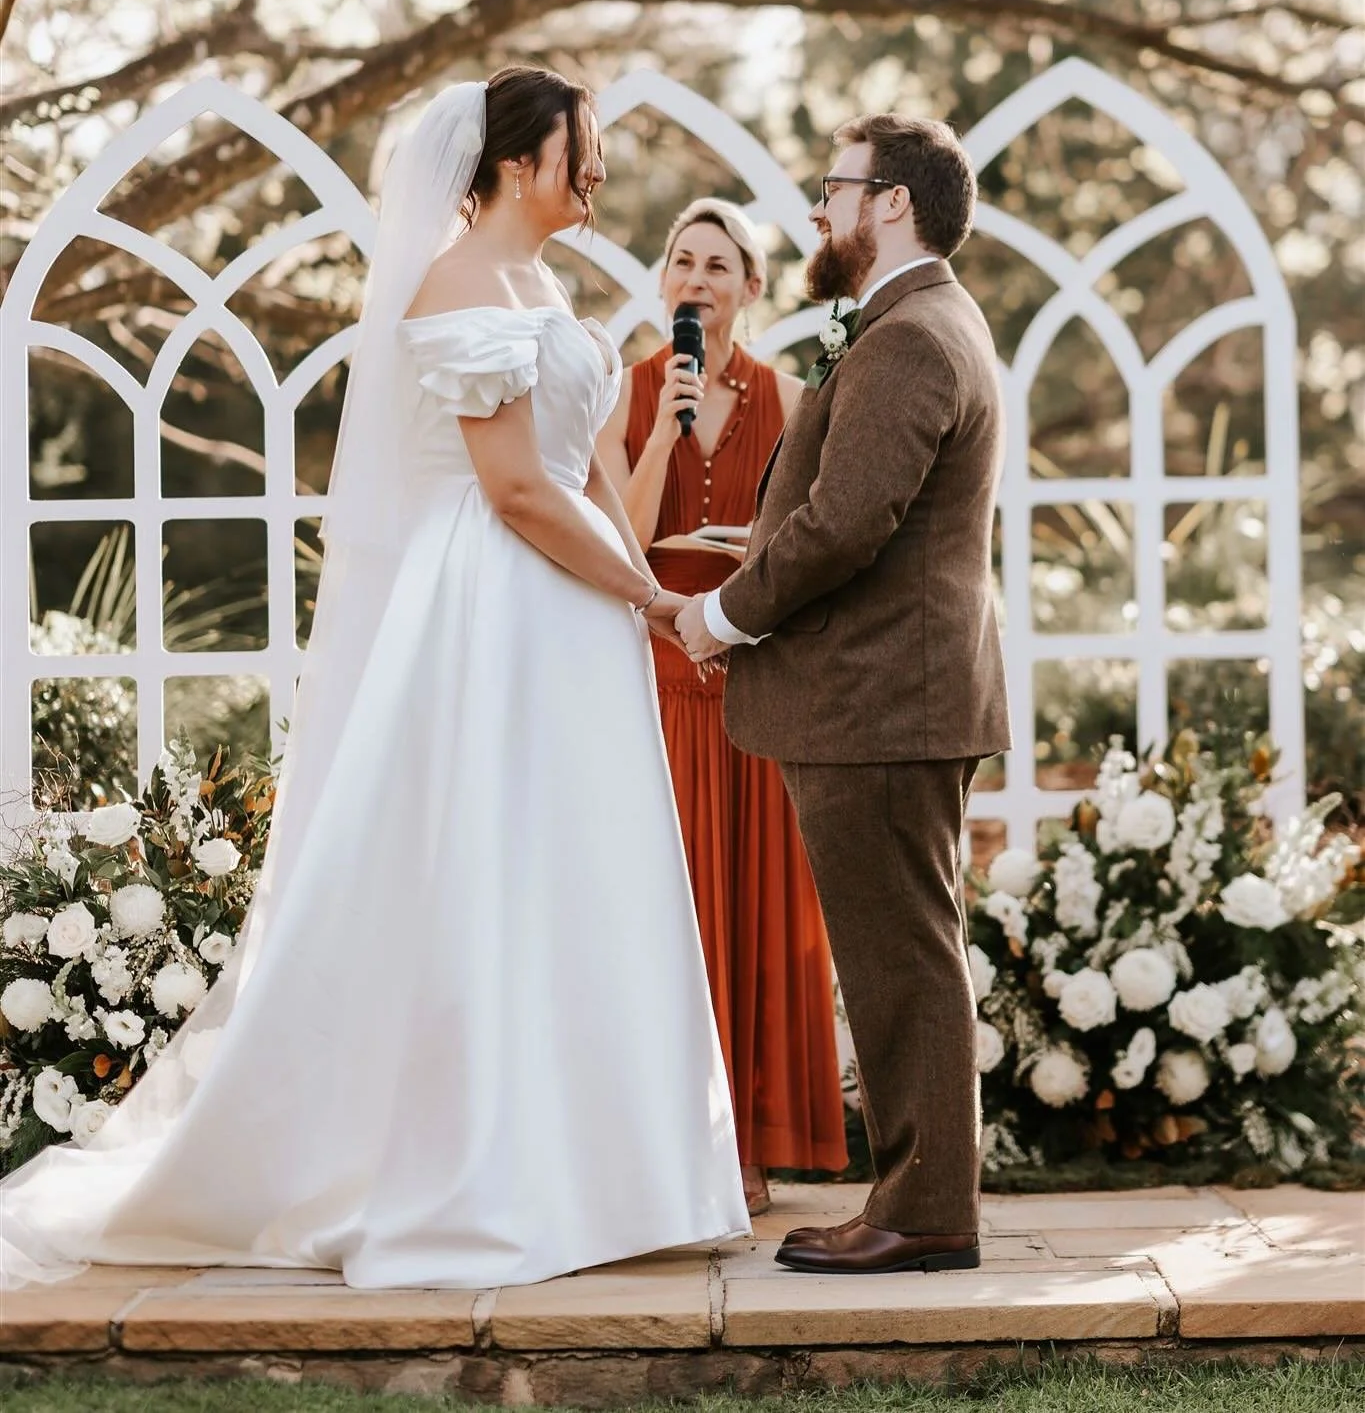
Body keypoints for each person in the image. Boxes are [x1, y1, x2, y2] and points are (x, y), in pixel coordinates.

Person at [0, 68, 748, 1292]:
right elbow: (513, 488)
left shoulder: (547, 284)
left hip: (577, 607)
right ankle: (478, 1176)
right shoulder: (452, 282)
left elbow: (589, 467)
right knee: (482, 873)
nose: (599, 167)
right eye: (583, 146)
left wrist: (648, 595)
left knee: (581, 868)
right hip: (496, 603)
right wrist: (646, 595)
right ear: (517, 162)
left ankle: (619, 1173)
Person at [676, 114, 1011, 1275]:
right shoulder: (918, 321)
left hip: (882, 699)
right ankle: (919, 1199)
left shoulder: (913, 334)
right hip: (891, 692)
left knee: (899, 956)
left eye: (837, 186)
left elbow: (850, 526)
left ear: (892, 205)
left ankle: (921, 1214)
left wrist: (719, 612)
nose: (820, 208)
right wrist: (759, 535)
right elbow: (857, 510)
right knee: (903, 950)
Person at [597, 199, 848, 1217]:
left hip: (754, 684)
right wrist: (664, 430)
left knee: (752, 917)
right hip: (657, 683)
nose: (697, 278)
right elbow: (620, 531)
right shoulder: (626, 391)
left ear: (751, 287)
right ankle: (660, 1141)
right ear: (664, 285)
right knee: (673, 915)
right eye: (681, 261)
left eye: (718, 264)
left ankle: (746, 1143)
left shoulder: (794, 395)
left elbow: (805, 543)